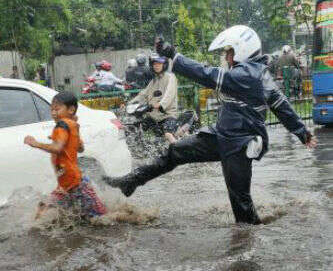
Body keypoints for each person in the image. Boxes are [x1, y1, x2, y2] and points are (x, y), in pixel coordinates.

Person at [103, 25, 317, 225]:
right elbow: (282, 106)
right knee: (175, 151)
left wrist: (174, 56)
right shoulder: (258, 73)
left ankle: (248, 247)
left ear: (242, 51)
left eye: (229, 52)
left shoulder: (246, 74)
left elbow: (207, 74)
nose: (226, 56)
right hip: (220, 136)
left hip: (239, 146)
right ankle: (131, 181)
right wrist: (302, 132)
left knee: (241, 203)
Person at [24, 91, 107, 220]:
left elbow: (57, 148)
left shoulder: (62, 125)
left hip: (75, 184)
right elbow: (81, 148)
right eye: (51, 110)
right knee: (49, 210)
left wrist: (35, 143)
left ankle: (132, 218)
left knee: (103, 218)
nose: (53, 113)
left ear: (71, 109)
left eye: (57, 109)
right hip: (66, 183)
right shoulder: (72, 125)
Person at [128, 53, 178, 144]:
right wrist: (130, 103)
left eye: (159, 64)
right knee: (135, 129)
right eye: (154, 64)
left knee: (168, 135)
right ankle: (139, 151)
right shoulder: (154, 80)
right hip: (154, 116)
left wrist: (160, 104)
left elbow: (169, 95)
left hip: (167, 115)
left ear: (164, 64)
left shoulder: (171, 77)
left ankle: (180, 153)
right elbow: (143, 94)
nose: (156, 66)